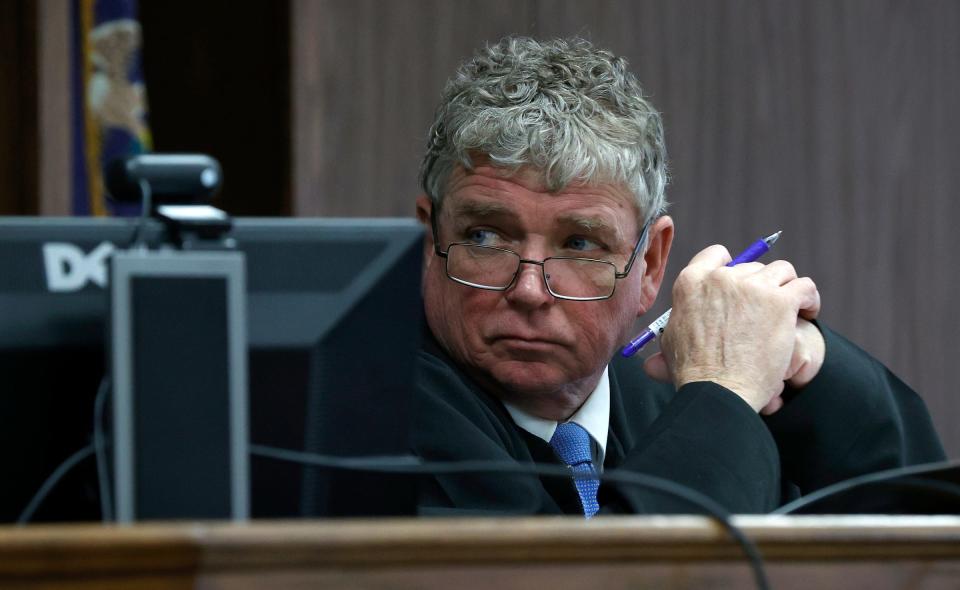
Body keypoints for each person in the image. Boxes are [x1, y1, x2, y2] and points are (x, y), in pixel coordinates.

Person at [411, 36, 944, 516]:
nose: (528, 291)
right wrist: (723, 391)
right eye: (485, 237)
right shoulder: (369, 413)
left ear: (649, 266)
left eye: (579, 244)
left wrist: (805, 365)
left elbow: (926, 521)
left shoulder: (671, 400)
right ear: (426, 240)